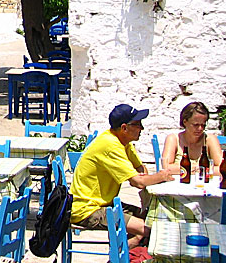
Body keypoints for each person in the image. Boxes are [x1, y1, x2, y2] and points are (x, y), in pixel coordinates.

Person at [70, 104, 173, 248]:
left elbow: (140, 168)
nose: (142, 128)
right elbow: (138, 182)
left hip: (106, 204)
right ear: (124, 128)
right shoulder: (110, 145)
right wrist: (162, 175)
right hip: (88, 209)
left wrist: (143, 177)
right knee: (150, 229)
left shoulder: (123, 141)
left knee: (150, 216)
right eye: (137, 124)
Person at [161, 101, 222, 176]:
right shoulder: (173, 139)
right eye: (195, 125)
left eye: (203, 125)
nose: (200, 128)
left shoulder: (209, 139)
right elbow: (166, 167)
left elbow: (222, 167)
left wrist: (188, 169)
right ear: (185, 122)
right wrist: (197, 168)